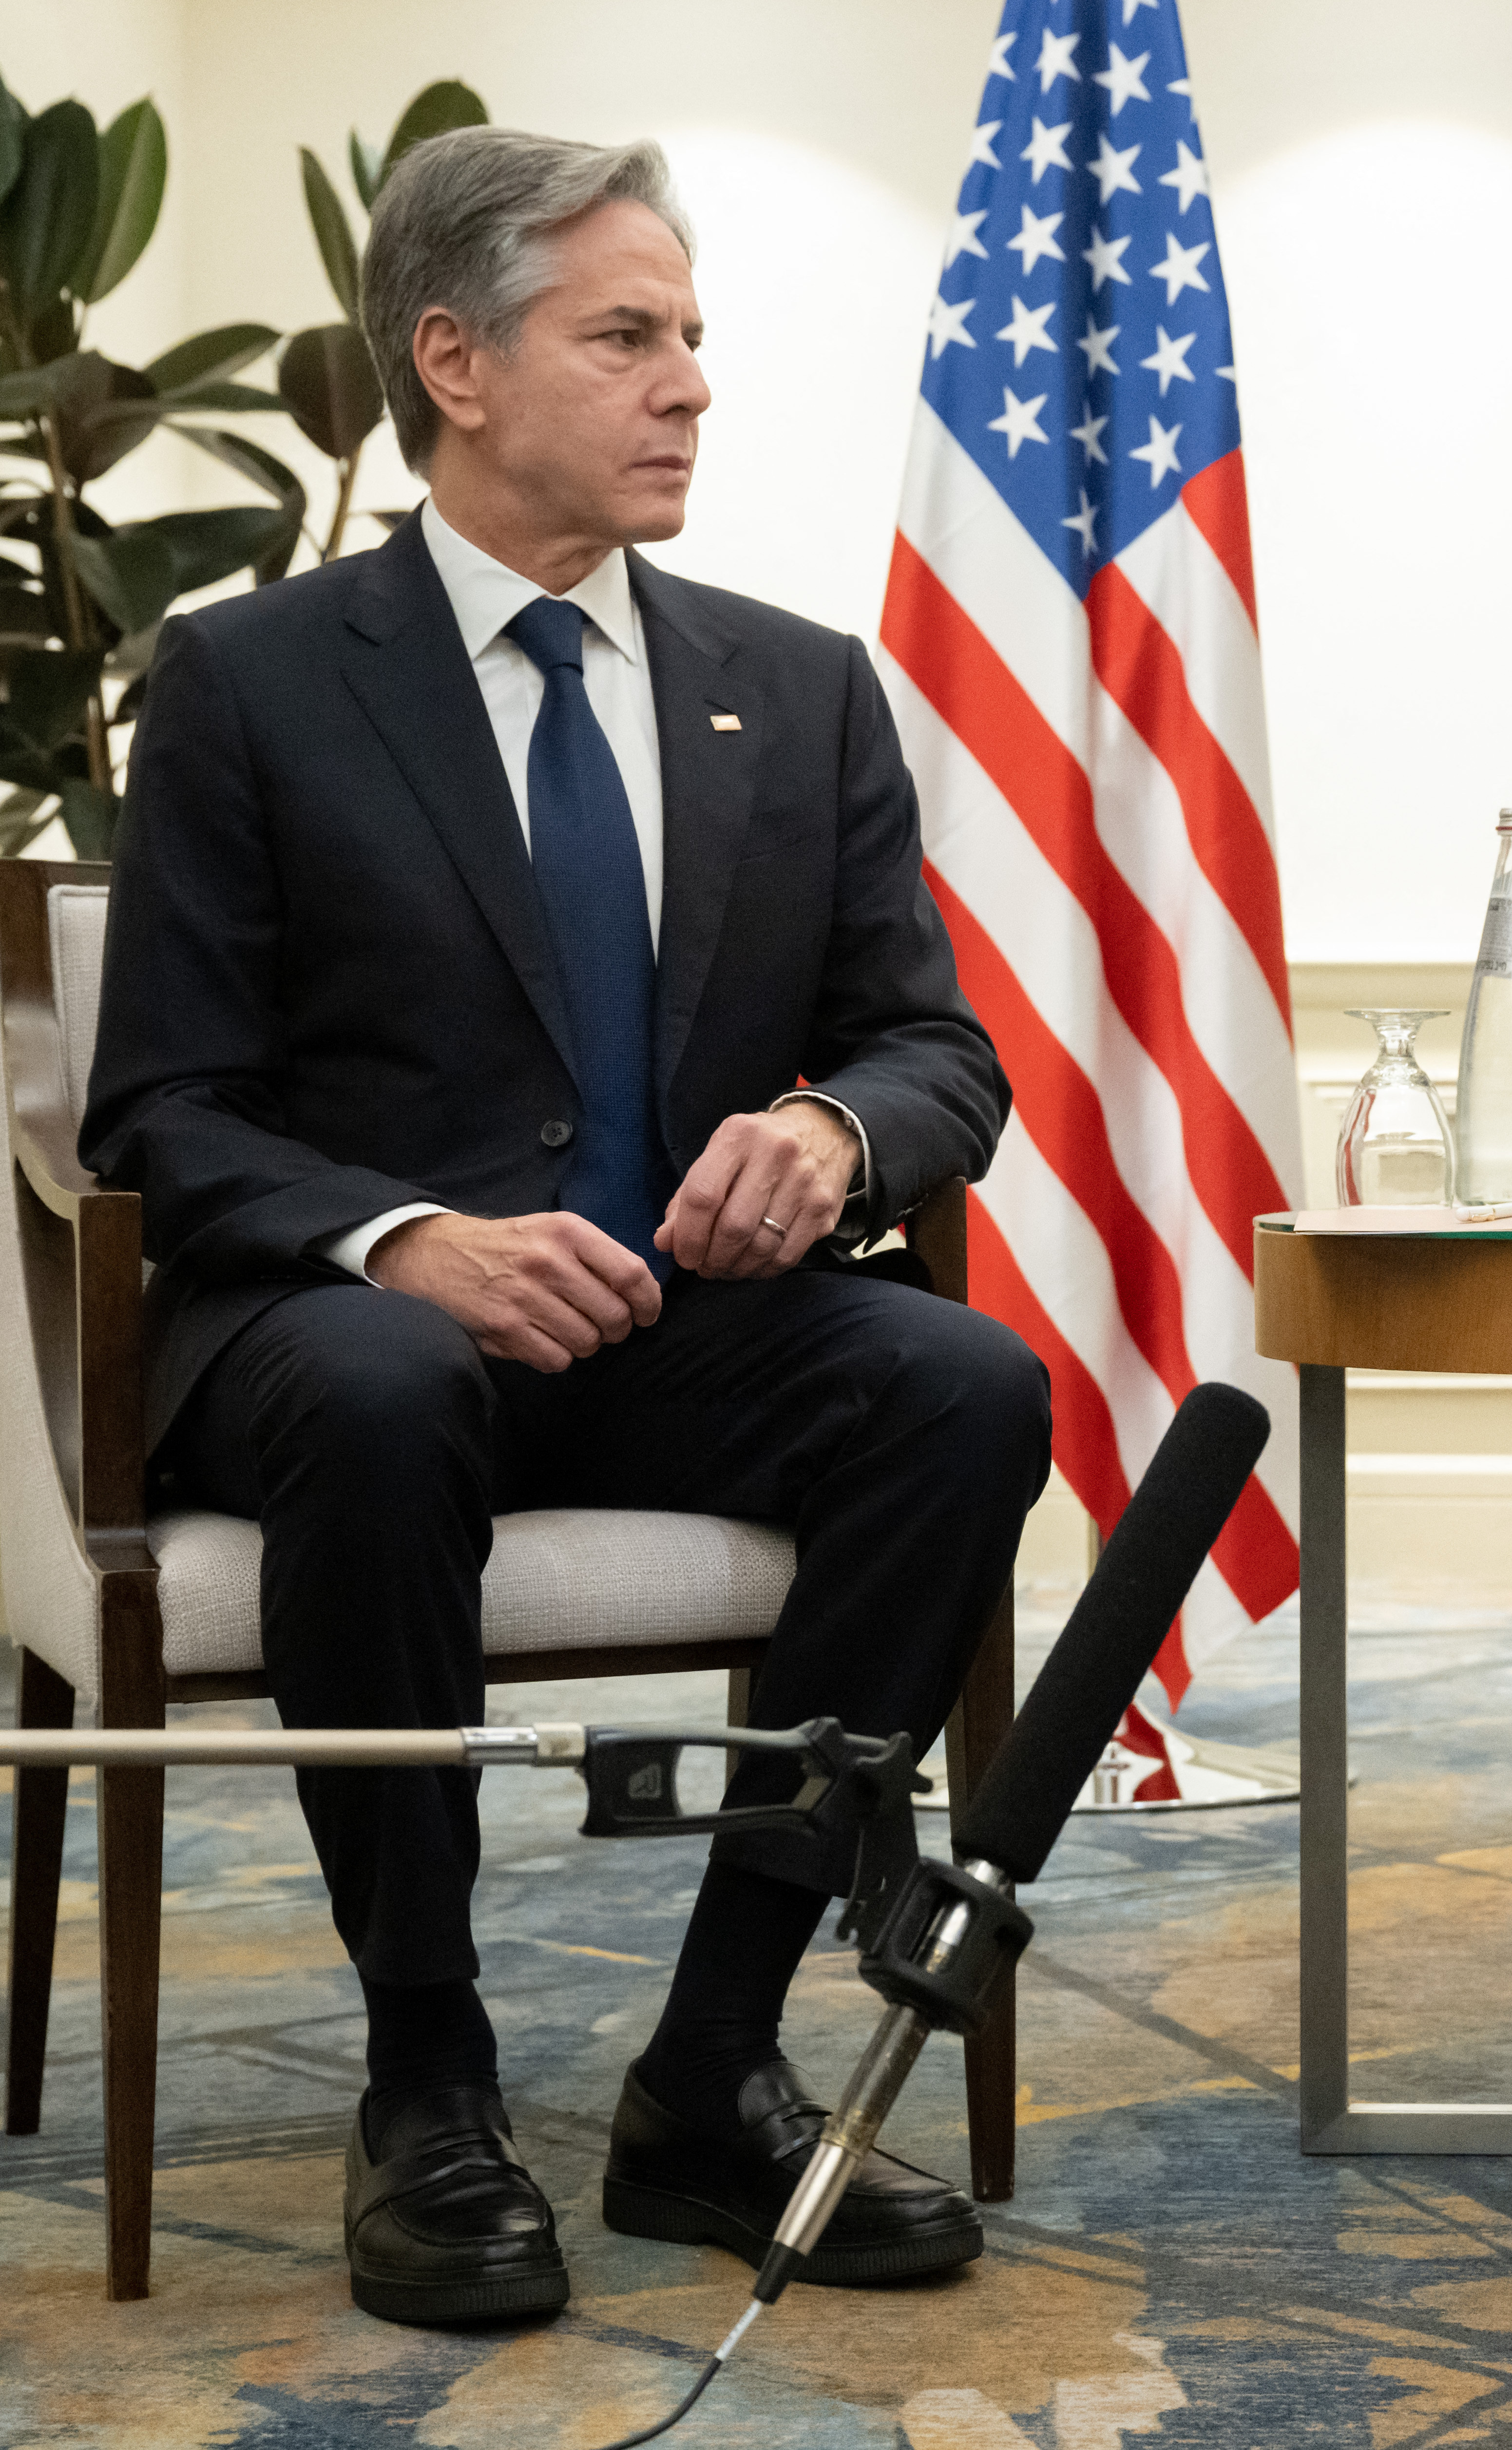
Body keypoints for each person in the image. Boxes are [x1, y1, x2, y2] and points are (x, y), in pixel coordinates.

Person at [83, 128, 1054, 2327]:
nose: (689, 384)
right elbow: (161, 1109)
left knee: (965, 1386)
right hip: (351, 1359)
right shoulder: (253, 681)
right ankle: (426, 2071)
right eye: (626, 337)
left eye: (693, 337)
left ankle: (711, 2065)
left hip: (678, 1331)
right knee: (383, 1380)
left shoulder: (793, 686)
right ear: (453, 360)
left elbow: (936, 1051)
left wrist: (829, 1131)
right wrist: (401, 1236)